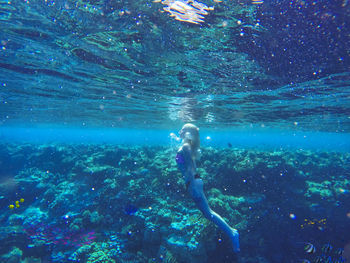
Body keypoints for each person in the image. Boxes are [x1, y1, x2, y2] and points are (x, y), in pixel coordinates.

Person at [175, 123, 240, 253]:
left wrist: (192, 185)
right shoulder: (187, 145)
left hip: (193, 182)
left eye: (183, 129)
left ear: (187, 133)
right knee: (207, 213)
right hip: (194, 181)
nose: (180, 130)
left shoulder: (186, 146)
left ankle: (232, 233)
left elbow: (191, 167)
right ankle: (232, 232)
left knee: (208, 213)